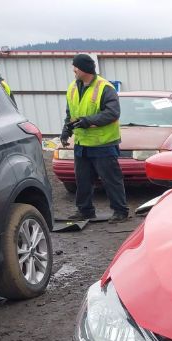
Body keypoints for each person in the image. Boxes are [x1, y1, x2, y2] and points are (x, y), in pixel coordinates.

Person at [61, 53, 129, 223]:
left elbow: (112, 113)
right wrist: (66, 130)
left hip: (103, 143)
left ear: (84, 69)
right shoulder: (72, 87)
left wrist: (87, 121)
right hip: (81, 144)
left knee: (111, 180)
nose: (73, 70)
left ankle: (120, 211)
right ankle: (85, 211)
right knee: (82, 180)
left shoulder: (105, 88)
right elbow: (71, 113)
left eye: (75, 66)